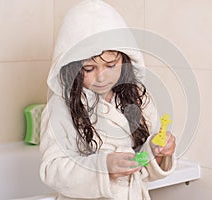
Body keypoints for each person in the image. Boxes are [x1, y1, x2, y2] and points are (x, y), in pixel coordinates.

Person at [39, 0, 176, 199]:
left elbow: (140, 162)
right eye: (88, 69)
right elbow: (52, 170)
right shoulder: (60, 108)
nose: (102, 77)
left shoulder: (138, 100)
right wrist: (103, 168)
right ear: (72, 67)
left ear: (125, 59)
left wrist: (156, 150)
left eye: (111, 65)